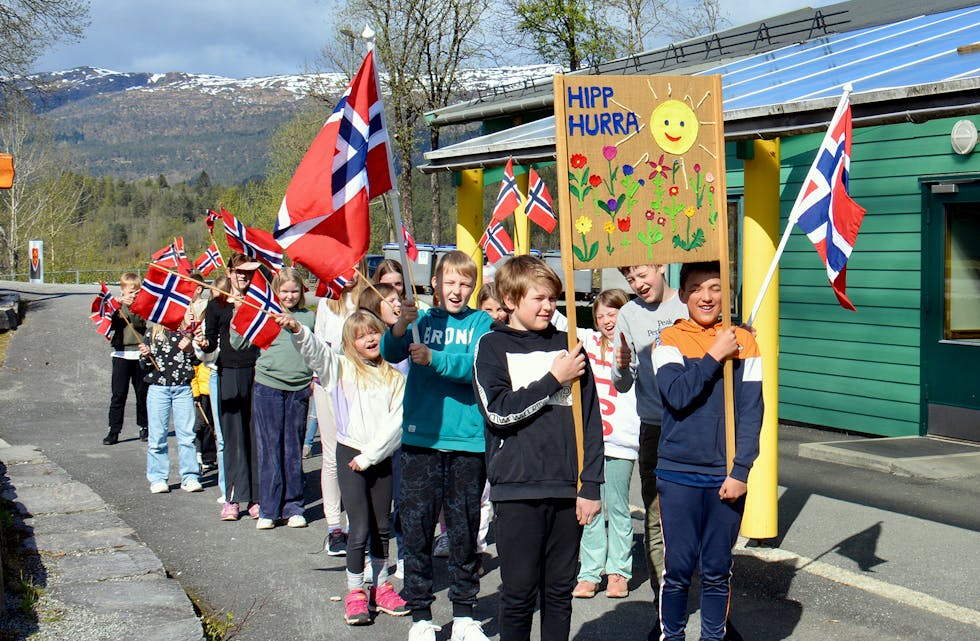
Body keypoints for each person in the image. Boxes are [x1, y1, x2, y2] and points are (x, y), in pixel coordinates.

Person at [472, 255, 604, 641]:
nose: (548, 306)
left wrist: (591, 484)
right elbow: (498, 412)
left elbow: (591, 420)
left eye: (553, 298)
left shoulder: (569, 344)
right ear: (510, 300)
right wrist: (553, 379)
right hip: (517, 489)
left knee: (559, 594)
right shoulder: (491, 346)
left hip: (566, 489)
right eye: (539, 298)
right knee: (518, 595)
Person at [380, 250, 494, 641]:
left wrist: (434, 358)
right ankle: (420, 617)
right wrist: (400, 326)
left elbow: (476, 366)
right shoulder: (422, 320)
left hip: (467, 442)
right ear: (435, 284)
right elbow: (389, 352)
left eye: (465, 283)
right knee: (416, 531)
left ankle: (464, 614)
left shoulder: (482, 323)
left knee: (464, 531)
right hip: (421, 439)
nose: (457, 290)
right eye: (450, 282)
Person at [652, 261, 763, 641]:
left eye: (715, 287)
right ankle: (673, 636)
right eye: (697, 288)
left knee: (717, 570)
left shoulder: (745, 342)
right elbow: (677, 395)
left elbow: (752, 412)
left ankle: (713, 637)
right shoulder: (668, 340)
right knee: (678, 570)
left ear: (726, 293)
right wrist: (716, 353)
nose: (706, 296)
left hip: (724, 476)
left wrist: (741, 470)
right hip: (677, 474)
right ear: (683, 294)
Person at [280, 310, 409, 625]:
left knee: (381, 526)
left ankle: (380, 586)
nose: (370, 339)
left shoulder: (395, 376)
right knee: (359, 528)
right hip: (350, 454)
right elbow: (316, 352)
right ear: (350, 342)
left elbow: (397, 422)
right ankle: (355, 591)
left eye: (374, 332)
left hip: (379, 457)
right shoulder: (338, 368)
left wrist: (371, 456)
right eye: (360, 336)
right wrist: (298, 329)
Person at [611, 264, 687, 616]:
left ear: (661, 266)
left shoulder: (687, 302)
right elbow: (623, 383)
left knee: (692, 515)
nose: (638, 284)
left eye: (642, 275)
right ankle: (663, 599)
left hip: (692, 424)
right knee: (656, 516)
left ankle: (692, 583)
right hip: (654, 426)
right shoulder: (628, 314)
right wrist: (621, 365)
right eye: (630, 279)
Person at [231, 266, 314, 530]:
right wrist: (241, 312)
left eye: (294, 291)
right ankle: (268, 508)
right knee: (269, 449)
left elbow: (316, 348)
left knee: (293, 449)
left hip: (299, 388)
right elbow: (238, 343)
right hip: (268, 386)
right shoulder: (265, 313)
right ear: (276, 291)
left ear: (301, 292)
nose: (289, 296)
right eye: (284, 291)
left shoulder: (309, 317)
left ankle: (294, 507)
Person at [573, 288, 639, 599]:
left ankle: (618, 571)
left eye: (612, 314)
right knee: (589, 509)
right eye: (600, 316)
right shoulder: (588, 341)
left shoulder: (636, 347)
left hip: (621, 442)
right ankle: (589, 572)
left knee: (618, 508)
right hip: (590, 444)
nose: (606, 321)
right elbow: (560, 321)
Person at [200, 253, 261, 521]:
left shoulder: (259, 302)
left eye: (248, 272)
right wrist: (204, 344)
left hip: (257, 372)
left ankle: (257, 497)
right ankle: (233, 498)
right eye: (239, 271)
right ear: (229, 272)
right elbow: (211, 342)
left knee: (256, 436)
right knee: (233, 438)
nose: (243, 276)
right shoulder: (217, 305)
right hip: (228, 373)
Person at [314, 262, 367, 555]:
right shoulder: (326, 303)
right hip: (329, 384)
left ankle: (358, 524)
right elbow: (320, 346)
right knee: (332, 456)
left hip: (360, 385)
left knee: (358, 454)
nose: (349, 273)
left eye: (354, 266)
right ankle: (335, 528)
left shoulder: (366, 301)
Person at [140, 316, 203, 494]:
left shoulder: (186, 333)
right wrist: (145, 355)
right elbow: (144, 366)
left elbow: (196, 361)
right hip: (158, 388)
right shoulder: (152, 333)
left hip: (182, 387)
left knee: (187, 436)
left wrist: (190, 349)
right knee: (157, 436)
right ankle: (158, 478)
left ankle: (190, 477)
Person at [103, 272, 149, 445]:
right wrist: (119, 306)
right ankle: (113, 430)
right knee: (118, 394)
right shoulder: (116, 305)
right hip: (121, 353)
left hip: (138, 353)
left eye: (135, 292)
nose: (132, 295)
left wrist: (132, 307)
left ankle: (144, 426)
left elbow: (139, 323)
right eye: (129, 292)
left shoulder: (141, 306)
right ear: (122, 290)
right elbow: (112, 324)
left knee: (142, 393)